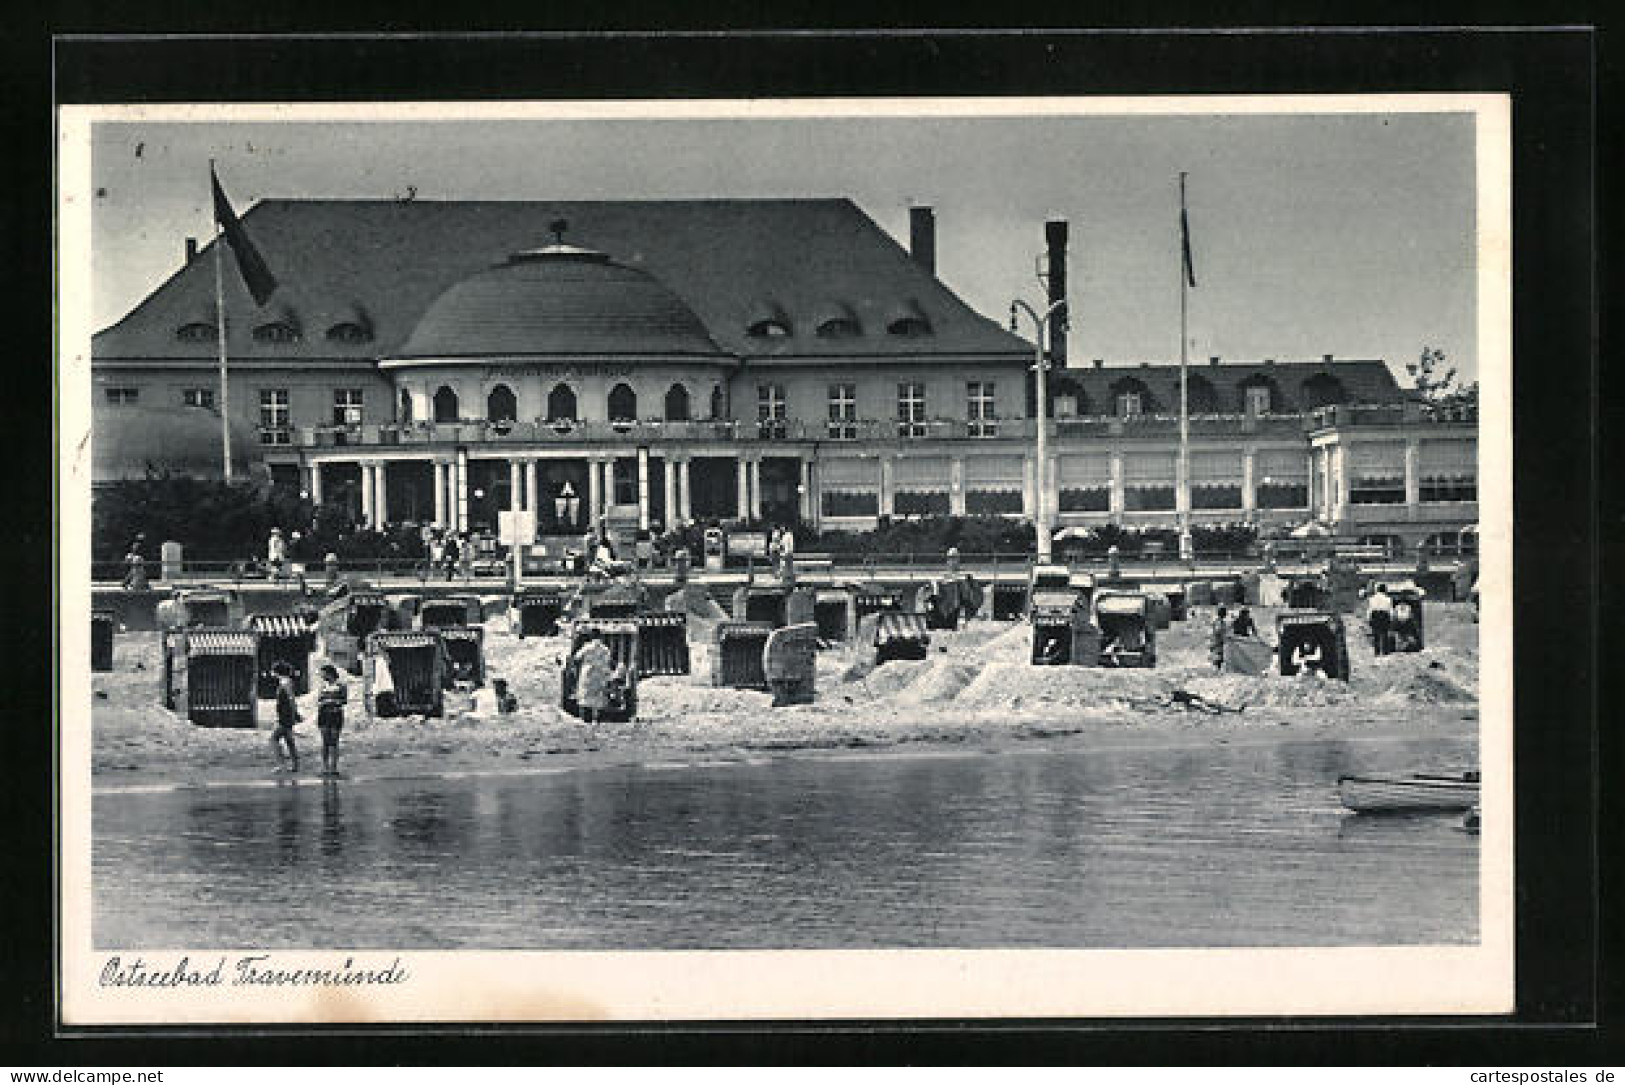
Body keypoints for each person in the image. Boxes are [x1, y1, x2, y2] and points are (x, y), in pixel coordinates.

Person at [570, 629, 614, 725]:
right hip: (599, 673)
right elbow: (608, 661)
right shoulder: (605, 649)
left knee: (584, 694)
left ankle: (584, 718)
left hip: (588, 672)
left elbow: (577, 657)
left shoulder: (587, 647)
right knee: (598, 695)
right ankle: (596, 718)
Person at [315, 663, 346, 776]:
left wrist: (333, 702)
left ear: (330, 673)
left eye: (323, 673)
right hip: (323, 714)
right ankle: (325, 767)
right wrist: (324, 702)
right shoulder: (322, 686)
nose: (322, 676)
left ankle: (334, 767)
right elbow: (318, 700)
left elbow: (344, 700)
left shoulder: (341, 685)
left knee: (334, 741)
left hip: (336, 714)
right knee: (325, 742)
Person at [270, 661, 301, 773]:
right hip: (286, 713)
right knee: (289, 740)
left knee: (273, 739)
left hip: (285, 714)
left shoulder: (285, 682)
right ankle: (295, 764)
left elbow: (290, 698)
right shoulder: (286, 681)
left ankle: (281, 764)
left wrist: (294, 713)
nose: (272, 673)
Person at [1367, 582, 1394, 655]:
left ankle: (1377, 652)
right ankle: (1385, 651)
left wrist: (1369, 619)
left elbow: (1370, 609)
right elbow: (1390, 610)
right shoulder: (1388, 599)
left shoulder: (1372, 599)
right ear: (1384, 590)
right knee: (1384, 634)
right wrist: (1391, 619)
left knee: (1376, 634)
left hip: (1375, 615)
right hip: (1384, 615)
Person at [1209, 606, 1229, 671]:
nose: (1226, 614)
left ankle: (1217, 670)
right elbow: (1217, 631)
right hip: (1216, 642)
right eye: (1225, 612)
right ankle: (1216, 670)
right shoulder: (1219, 622)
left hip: (1217, 642)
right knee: (1218, 658)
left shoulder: (1220, 621)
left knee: (1220, 658)